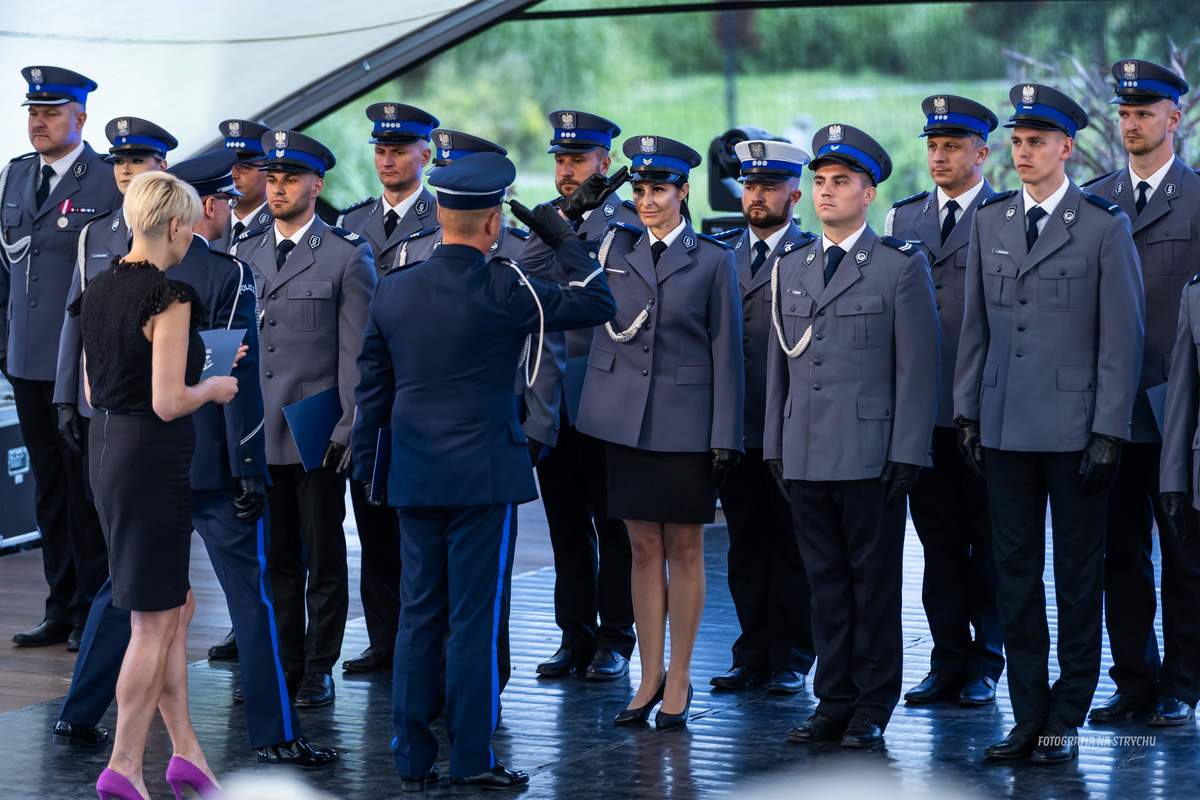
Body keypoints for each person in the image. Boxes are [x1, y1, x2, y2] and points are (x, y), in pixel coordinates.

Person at [54, 151, 337, 769]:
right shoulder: (222, 277)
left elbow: (86, 361)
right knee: (250, 598)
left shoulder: (108, 273)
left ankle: (79, 713)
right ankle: (273, 731)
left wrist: (67, 408)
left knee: (123, 591)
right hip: (199, 459)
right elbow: (226, 372)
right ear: (202, 210)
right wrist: (247, 466)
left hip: (125, 453)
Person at [350, 151, 617, 789]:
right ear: (494, 222)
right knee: (471, 619)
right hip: (482, 476)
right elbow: (598, 301)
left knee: (419, 615)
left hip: (413, 471)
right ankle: (472, 758)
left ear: (440, 213)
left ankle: (412, 759)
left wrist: (368, 467)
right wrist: (566, 239)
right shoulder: (507, 287)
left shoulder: (395, 288)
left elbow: (372, 389)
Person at [954, 83, 1144, 763]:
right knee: (1013, 575)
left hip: (1074, 432)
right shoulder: (991, 222)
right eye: (1018, 141)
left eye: (1037, 141)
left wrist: (1109, 431)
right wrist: (967, 411)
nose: (1024, 152)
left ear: (1066, 147)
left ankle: (1066, 717)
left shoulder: (1102, 225)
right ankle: (1028, 714)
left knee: (1077, 577)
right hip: (1004, 426)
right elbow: (975, 327)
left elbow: (1121, 340)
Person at [766, 123, 940, 749]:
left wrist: (909, 452)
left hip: (871, 457)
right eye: (819, 182)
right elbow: (780, 369)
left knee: (873, 587)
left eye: (841, 182)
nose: (827, 193)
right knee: (825, 588)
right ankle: (831, 700)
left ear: (869, 193)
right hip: (806, 451)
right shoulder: (793, 266)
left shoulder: (898, 267)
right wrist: (774, 445)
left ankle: (872, 703)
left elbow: (917, 371)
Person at [75, 171, 235, 800]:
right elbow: (170, 402)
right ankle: (123, 766)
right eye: (192, 223)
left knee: (174, 607)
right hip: (152, 461)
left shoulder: (98, 287)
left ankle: (187, 753)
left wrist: (192, 370)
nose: (194, 233)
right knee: (152, 621)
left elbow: (94, 391)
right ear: (175, 225)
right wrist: (216, 386)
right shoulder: (169, 296)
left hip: (108, 452)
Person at [576, 134, 745, 729]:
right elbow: (551, 265)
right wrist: (576, 211)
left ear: (683, 192)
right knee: (641, 549)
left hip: (686, 424)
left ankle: (679, 675)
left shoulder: (712, 259)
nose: (648, 201)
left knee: (685, 549)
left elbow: (728, 352)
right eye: (640, 190)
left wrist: (726, 434)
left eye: (659, 190)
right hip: (624, 422)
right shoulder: (611, 246)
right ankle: (647, 676)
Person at [231, 129, 376, 709]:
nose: (279, 188)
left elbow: (357, 353)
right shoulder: (244, 253)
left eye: (290, 178)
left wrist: (348, 427)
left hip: (315, 426)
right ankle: (278, 660)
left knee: (323, 553)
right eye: (272, 177)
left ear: (317, 184)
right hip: (258, 429)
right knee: (274, 556)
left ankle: (318, 664)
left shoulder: (345, 254)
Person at [1084, 60, 1200, 729]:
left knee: (1186, 555)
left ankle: (1182, 684)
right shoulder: (1098, 202)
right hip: (1114, 413)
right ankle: (1134, 680)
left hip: (1180, 413)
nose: (1132, 125)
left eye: (1144, 113)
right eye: (1125, 114)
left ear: (1173, 119)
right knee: (1118, 556)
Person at [885, 95, 1005, 708]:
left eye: (953, 146)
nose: (939, 156)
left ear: (982, 154)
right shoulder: (902, 221)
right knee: (936, 546)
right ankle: (947, 656)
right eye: (933, 146)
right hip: (924, 413)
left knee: (988, 545)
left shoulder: (1004, 217)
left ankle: (986, 661)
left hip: (983, 412)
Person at [0, 65, 120, 650]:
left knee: (85, 489)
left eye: (50, 112)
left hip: (82, 362)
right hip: (26, 359)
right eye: (33, 112)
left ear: (81, 118)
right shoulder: (16, 177)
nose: (38, 122)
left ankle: (91, 611)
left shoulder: (107, 180)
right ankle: (60, 604)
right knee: (48, 487)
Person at [520, 109, 639, 682]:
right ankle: (576, 634)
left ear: (604, 163)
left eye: (578, 160)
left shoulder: (630, 220)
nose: (567, 171)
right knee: (566, 527)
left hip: (606, 393)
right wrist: (562, 220)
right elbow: (524, 275)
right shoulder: (547, 221)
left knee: (614, 526)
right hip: (553, 397)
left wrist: (575, 227)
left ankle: (617, 636)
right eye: (561, 161)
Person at [707, 139, 815, 696]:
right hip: (738, 424)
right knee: (745, 545)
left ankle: (793, 654)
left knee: (793, 545)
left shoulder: (812, 254)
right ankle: (750, 652)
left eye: (769, 186)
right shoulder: (721, 252)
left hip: (793, 424)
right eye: (750, 185)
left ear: (794, 193)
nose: (757, 196)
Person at [53, 116, 177, 468]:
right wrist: (65, 396)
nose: (125, 170)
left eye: (137, 160)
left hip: (157, 399)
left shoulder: (180, 231)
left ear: (162, 167)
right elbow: (74, 317)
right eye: (119, 161)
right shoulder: (94, 233)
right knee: (101, 507)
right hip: (98, 396)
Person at [338, 102, 439, 267]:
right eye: (380, 152)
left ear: (425, 157)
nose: (387, 162)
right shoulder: (351, 221)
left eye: (398, 152)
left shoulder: (443, 218)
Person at [212, 119, 273, 255]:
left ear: (269, 171)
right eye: (228, 166)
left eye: (244, 167)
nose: (233, 175)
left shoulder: (284, 226)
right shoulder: (208, 221)